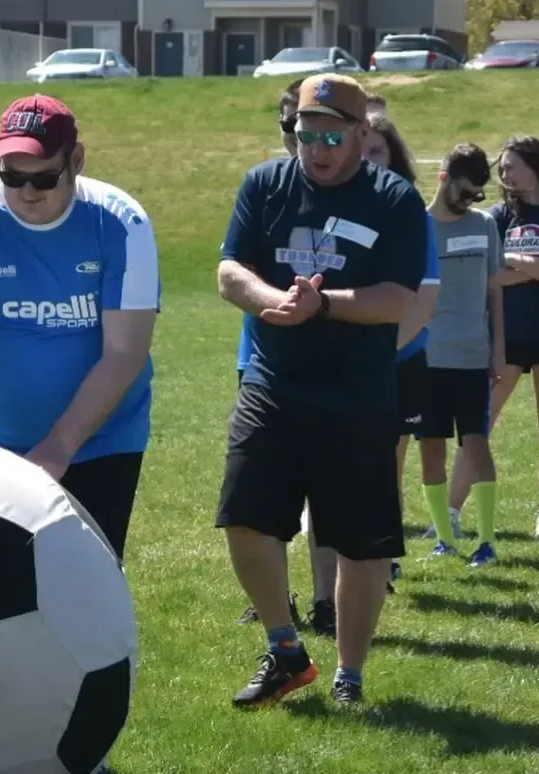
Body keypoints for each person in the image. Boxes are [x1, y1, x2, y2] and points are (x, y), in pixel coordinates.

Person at [0, 93, 160, 774]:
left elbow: (124, 352)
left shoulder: (121, 222)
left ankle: (82, 757)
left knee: (79, 606)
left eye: (43, 177)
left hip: (104, 441)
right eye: (11, 176)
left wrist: (58, 449)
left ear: (75, 160)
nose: (26, 192)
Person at [214, 73, 428, 706]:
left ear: (362, 134)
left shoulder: (394, 199)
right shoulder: (265, 184)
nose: (317, 150)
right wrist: (270, 299)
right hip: (273, 383)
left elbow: (398, 299)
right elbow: (230, 270)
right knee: (244, 519)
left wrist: (323, 303)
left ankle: (349, 674)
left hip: (358, 395)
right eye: (306, 135)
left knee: (361, 544)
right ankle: (286, 650)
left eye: (333, 138)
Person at [233, 77, 338, 636]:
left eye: (318, 130)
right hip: (263, 359)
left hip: (332, 369)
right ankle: (274, 596)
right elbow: (235, 269)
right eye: (291, 128)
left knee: (326, 492)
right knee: (263, 491)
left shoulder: (346, 190)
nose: (300, 139)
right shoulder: (267, 188)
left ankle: (327, 600)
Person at [441, 135, 539, 542]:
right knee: (478, 427)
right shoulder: (497, 216)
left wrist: (513, 261)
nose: (504, 175)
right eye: (501, 169)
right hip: (503, 337)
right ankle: (450, 513)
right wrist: (533, 268)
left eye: (510, 166)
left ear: (534, 165)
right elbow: (491, 276)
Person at [360, 112, 442, 589]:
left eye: (377, 151)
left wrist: (377, 352)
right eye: (361, 150)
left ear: (394, 157)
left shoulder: (411, 213)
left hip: (399, 359)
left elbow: (424, 300)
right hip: (343, 360)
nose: (368, 160)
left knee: (386, 463)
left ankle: (384, 556)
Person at [418, 144, 504, 567]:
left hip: (472, 357)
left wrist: (499, 349)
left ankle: (486, 542)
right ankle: (445, 539)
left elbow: (494, 293)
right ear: (443, 177)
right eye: (465, 192)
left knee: (476, 446)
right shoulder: (417, 226)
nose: (471, 201)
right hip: (427, 359)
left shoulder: (485, 225)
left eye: (477, 195)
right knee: (431, 449)